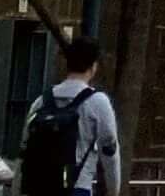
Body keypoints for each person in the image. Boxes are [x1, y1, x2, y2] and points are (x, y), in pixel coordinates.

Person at [22, 29, 122, 196]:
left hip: (39, 189)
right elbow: (109, 150)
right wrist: (114, 190)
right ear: (93, 66)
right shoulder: (98, 102)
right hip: (77, 187)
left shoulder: (41, 101)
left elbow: (23, 151)